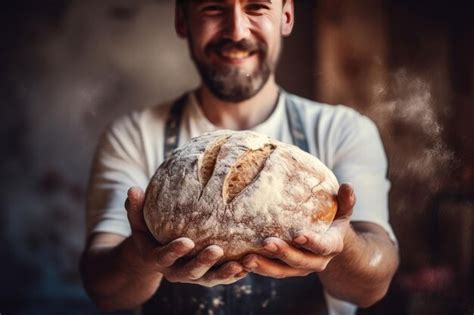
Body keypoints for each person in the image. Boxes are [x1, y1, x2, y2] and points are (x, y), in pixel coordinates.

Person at [80, 0, 399, 314]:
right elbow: (105, 293)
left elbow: (372, 287)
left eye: (256, 7)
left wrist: (342, 247)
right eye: (213, 8)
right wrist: (140, 256)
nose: (236, 30)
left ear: (286, 16)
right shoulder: (133, 135)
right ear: (182, 20)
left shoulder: (343, 130)